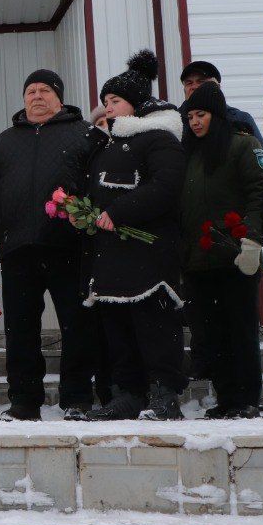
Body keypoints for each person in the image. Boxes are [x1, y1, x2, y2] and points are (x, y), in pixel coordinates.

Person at [0, 69, 110, 422]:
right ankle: (24, 402)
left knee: (77, 326)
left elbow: (102, 187)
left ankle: (77, 399)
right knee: (20, 331)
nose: (37, 96)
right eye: (30, 90)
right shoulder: (3, 143)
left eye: (45, 90)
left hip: (70, 248)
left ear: (59, 98)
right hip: (18, 251)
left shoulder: (84, 135)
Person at [70, 50, 188, 421]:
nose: (107, 109)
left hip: (148, 251)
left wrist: (117, 212)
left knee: (153, 324)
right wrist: (83, 213)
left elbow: (166, 186)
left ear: (136, 106)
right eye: (104, 102)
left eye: (115, 102)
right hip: (110, 254)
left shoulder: (159, 138)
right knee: (117, 328)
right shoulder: (105, 144)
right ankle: (128, 393)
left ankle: (163, 392)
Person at [180, 82, 263, 418]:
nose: (195, 122)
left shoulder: (241, 146)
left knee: (240, 330)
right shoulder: (187, 155)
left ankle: (246, 399)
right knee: (210, 332)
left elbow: (259, 193)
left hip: (234, 257)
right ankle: (226, 397)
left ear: (216, 115)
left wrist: (252, 242)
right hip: (198, 261)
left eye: (200, 115)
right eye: (190, 117)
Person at [179, 60, 263, 145]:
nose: (194, 87)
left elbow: (259, 153)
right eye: (189, 83)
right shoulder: (175, 121)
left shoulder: (240, 119)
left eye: (201, 82)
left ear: (217, 87)